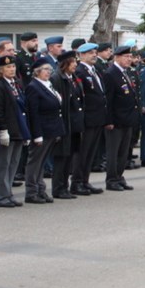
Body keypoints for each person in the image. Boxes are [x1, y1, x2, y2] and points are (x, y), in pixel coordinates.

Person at [0, 55, 28, 208]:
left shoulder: (16, 84)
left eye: (13, 67)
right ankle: (1, 196)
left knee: (13, 163)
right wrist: (2, 130)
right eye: (8, 67)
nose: (12, 69)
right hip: (7, 130)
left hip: (18, 129)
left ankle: (8, 192)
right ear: (1, 70)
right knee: (3, 164)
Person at [24, 60, 64, 204]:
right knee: (35, 162)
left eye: (49, 69)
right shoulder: (33, 87)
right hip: (41, 130)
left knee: (41, 162)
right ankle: (31, 191)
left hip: (52, 129)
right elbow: (33, 113)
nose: (48, 72)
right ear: (37, 71)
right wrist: (37, 134)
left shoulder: (48, 85)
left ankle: (40, 189)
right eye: (45, 69)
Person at [72, 43, 107, 195]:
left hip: (97, 117)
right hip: (87, 118)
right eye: (90, 53)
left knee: (91, 152)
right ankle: (77, 182)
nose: (94, 55)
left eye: (94, 52)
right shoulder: (80, 71)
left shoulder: (94, 71)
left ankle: (85, 181)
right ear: (81, 55)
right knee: (83, 152)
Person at [104, 45, 139, 190]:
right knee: (114, 152)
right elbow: (108, 100)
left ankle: (119, 176)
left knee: (124, 151)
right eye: (126, 57)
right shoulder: (111, 73)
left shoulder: (126, 72)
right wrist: (109, 120)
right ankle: (111, 179)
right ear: (117, 57)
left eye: (130, 57)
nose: (129, 59)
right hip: (116, 120)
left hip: (127, 119)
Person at [51, 51, 84, 200]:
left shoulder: (73, 78)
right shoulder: (57, 78)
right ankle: (58, 188)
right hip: (65, 123)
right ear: (65, 64)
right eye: (73, 62)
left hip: (74, 124)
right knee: (61, 157)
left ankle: (65, 186)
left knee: (69, 156)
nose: (76, 65)